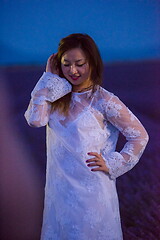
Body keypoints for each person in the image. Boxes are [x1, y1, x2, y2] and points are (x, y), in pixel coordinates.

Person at [25, 33, 149, 240]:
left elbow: (140, 136)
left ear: (92, 62)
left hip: (92, 195)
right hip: (59, 192)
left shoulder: (105, 100)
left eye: (80, 64)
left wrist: (112, 163)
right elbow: (35, 120)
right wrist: (48, 79)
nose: (73, 71)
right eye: (66, 64)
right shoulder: (55, 97)